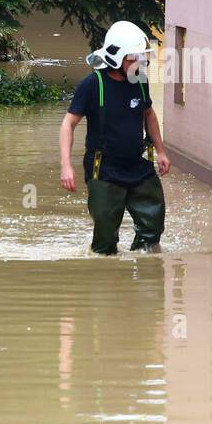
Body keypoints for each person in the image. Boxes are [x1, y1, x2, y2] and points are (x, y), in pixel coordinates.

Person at [59, 21, 171, 254]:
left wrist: (160, 151)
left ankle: (146, 270)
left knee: (153, 227)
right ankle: (106, 275)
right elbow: (68, 124)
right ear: (116, 58)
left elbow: (148, 114)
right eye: (133, 57)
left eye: (141, 56)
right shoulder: (92, 85)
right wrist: (66, 166)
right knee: (106, 240)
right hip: (104, 170)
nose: (139, 62)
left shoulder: (139, 81)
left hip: (137, 165)